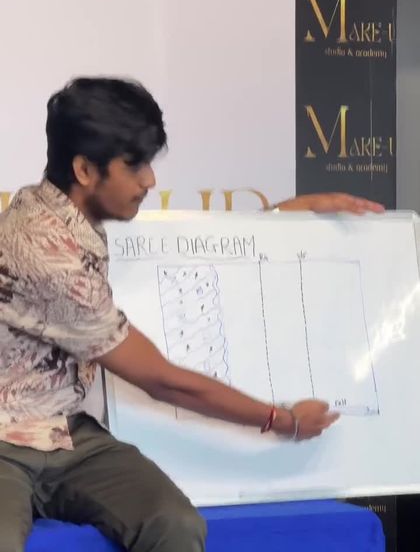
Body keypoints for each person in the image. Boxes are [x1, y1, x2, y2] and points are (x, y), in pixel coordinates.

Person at [0, 77, 384, 552]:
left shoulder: (63, 211)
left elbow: (179, 250)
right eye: (134, 165)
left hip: (66, 434)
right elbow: (164, 381)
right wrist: (282, 420)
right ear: (84, 169)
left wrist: (288, 219)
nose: (149, 180)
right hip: (6, 444)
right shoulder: (44, 248)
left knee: (175, 524)